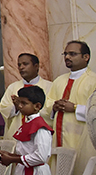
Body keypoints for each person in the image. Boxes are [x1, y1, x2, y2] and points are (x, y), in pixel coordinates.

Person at [39, 41, 96, 174]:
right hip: (59, 139)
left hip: (83, 139)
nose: (67, 57)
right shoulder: (59, 81)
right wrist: (53, 107)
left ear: (86, 57)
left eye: (72, 54)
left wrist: (75, 108)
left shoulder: (93, 80)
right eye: (65, 54)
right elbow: (46, 107)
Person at [0, 86, 52, 175]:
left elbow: (41, 157)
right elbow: (27, 151)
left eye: (24, 103)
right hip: (23, 169)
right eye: (19, 102)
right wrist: (11, 156)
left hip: (36, 171)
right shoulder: (29, 123)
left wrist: (13, 159)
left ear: (37, 106)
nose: (20, 106)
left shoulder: (41, 127)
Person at [0, 53, 51, 142]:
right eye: (19, 65)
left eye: (25, 64)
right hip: (16, 134)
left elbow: (50, 111)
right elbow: (3, 108)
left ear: (36, 66)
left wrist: (28, 107)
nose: (21, 67)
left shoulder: (49, 86)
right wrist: (15, 107)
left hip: (39, 136)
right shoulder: (13, 87)